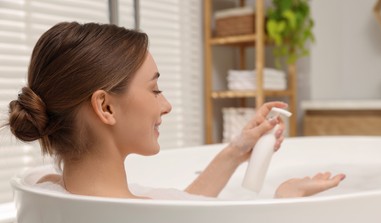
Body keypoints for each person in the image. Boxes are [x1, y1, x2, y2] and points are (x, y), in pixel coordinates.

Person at [6, 22, 345, 200]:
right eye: (154, 89)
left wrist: (236, 150)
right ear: (106, 106)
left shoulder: (45, 186)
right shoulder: (143, 218)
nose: (166, 105)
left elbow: (182, 209)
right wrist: (285, 201)